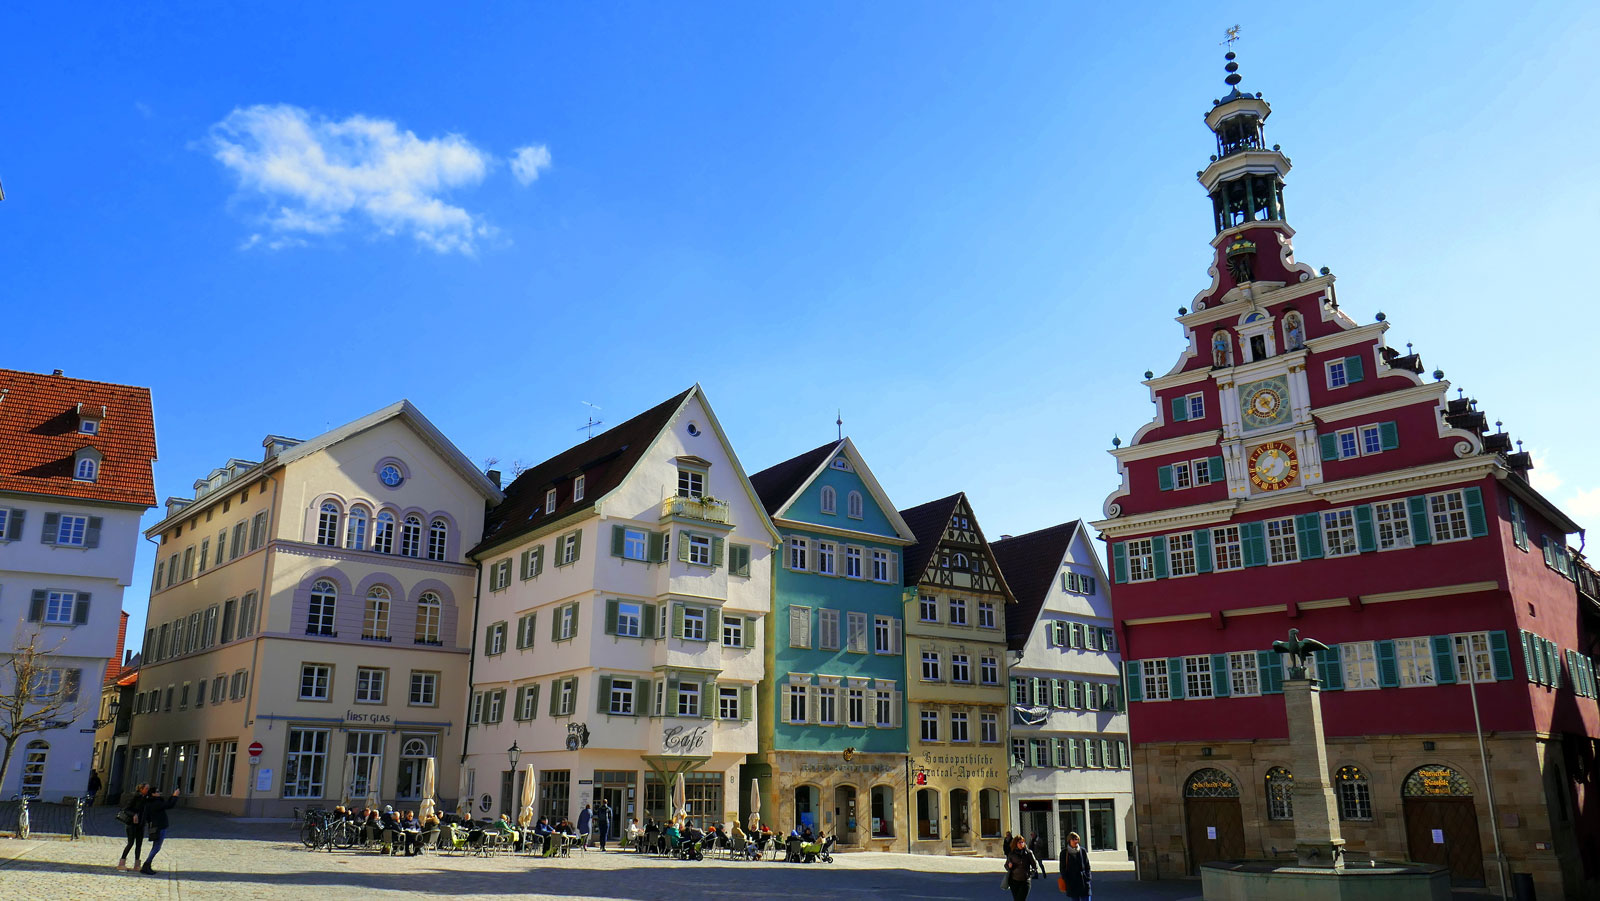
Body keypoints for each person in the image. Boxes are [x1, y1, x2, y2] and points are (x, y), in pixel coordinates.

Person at [140, 787, 180, 875]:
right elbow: (169, 805)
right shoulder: (155, 802)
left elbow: (166, 804)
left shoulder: (150, 802)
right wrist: (175, 796)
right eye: (157, 792)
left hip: (154, 826)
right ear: (153, 794)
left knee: (155, 846)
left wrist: (173, 796)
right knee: (156, 847)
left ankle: (147, 865)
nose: (159, 793)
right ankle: (146, 865)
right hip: (159, 827)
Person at [116, 783, 151, 871]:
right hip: (131, 824)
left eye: (148, 789)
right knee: (130, 843)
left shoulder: (146, 798)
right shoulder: (135, 796)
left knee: (139, 845)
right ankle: (121, 863)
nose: (147, 790)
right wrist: (134, 814)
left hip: (141, 824)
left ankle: (137, 865)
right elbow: (126, 809)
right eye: (146, 788)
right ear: (141, 789)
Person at [1059, 831, 1092, 901]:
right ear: (1069, 841)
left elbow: (1087, 865)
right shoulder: (1064, 853)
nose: (1075, 841)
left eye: (1077, 839)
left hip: (1083, 881)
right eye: (1073, 839)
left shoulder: (1082, 851)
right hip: (1072, 883)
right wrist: (1067, 880)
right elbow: (1062, 868)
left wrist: (1088, 878)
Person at [1003, 834, 1034, 900]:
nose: (1021, 844)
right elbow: (1006, 865)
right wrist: (1009, 866)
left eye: (1022, 842)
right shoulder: (1012, 854)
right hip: (1014, 881)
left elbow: (1035, 866)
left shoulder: (1028, 853)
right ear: (1015, 843)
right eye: (1019, 842)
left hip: (1025, 881)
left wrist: (1030, 873)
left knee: (1021, 899)